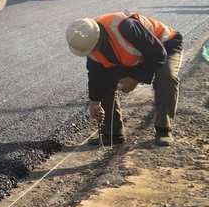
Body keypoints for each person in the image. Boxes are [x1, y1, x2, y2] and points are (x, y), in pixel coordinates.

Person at [66, 12, 182, 147]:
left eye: (94, 48)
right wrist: (94, 101)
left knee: (166, 77)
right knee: (104, 83)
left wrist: (134, 79)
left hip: (165, 45)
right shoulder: (90, 45)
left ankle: (163, 130)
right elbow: (96, 75)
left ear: (99, 38)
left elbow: (158, 54)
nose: (93, 52)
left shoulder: (125, 27)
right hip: (134, 56)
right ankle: (113, 134)